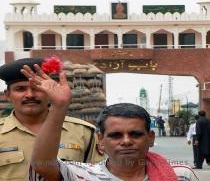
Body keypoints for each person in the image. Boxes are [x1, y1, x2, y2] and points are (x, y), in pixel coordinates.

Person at [25, 64, 199, 181]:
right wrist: (59, 107)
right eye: (115, 135)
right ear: (101, 140)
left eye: (135, 134)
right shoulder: (84, 175)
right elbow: (41, 164)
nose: (126, 141)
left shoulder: (180, 174)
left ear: (151, 137)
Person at [0, 58, 104, 181]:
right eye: (20, 89)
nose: (30, 95)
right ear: (7, 94)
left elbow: (100, 175)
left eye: (37, 88)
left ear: (50, 91)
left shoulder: (83, 132)